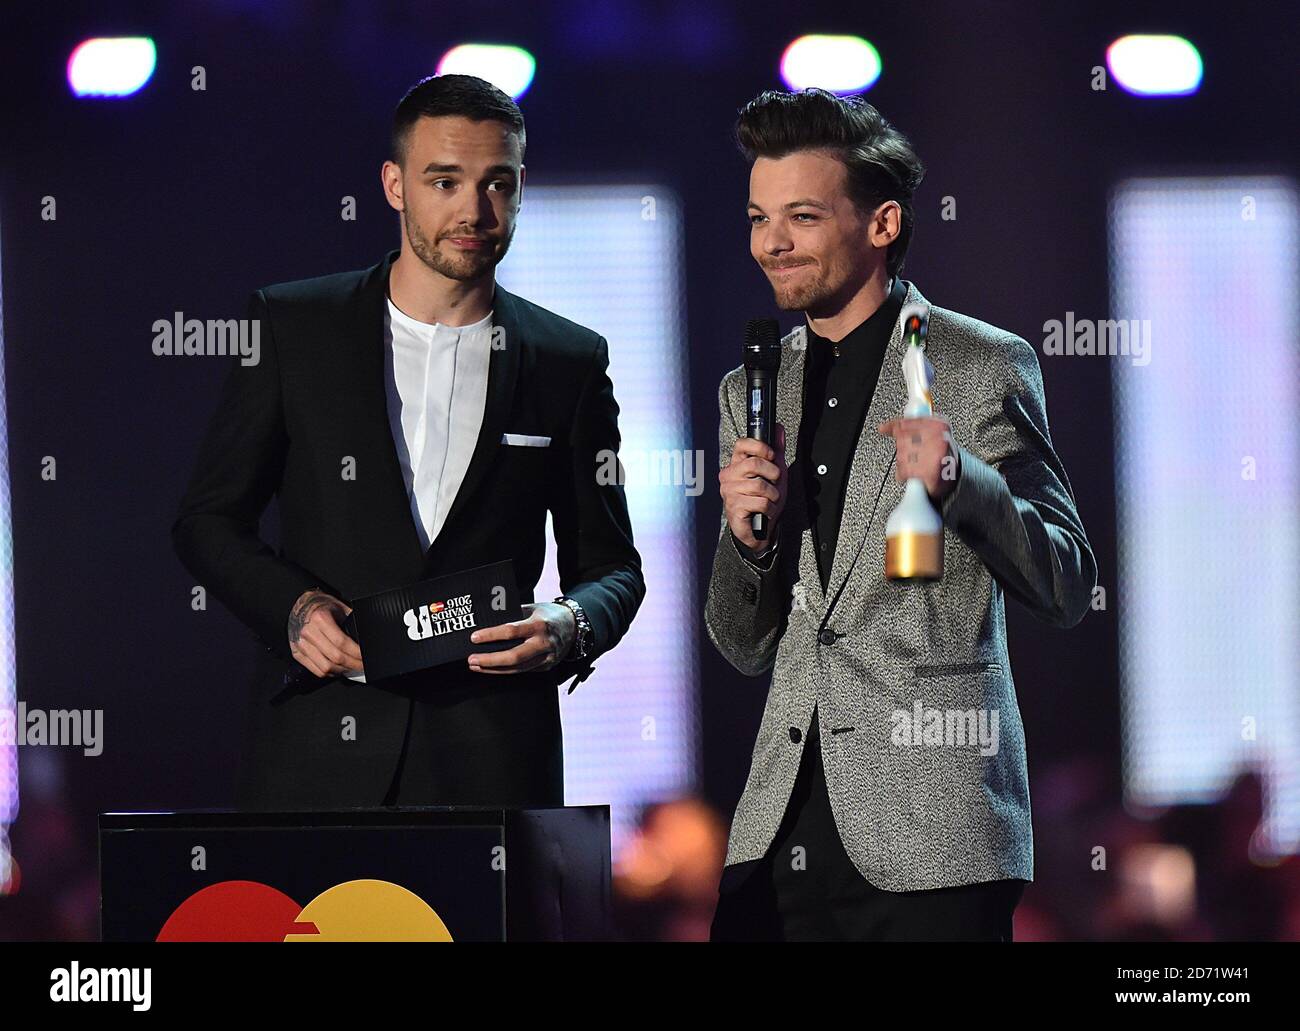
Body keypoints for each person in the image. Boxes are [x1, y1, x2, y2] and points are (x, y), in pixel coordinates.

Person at [172, 74, 644, 810]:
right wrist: (294, 610)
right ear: (394, 185)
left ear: (521, 189)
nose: (472, 208)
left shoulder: (567, 360)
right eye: (444, 180)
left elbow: (612, 566)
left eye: (496, 184)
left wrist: (568, 624)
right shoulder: (294, 326)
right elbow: (207, 520)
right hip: (319, 752)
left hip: (492, 761)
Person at [705, 88, 1096, 941]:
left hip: (936, 830)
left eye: (802, 216)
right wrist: (746, 541)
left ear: (881, 224)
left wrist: (961, 479)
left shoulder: (980, 363)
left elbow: (1068, 579)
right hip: (779, 826)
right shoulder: (752, 388)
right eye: (758, 218)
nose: (772, 242)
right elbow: (742, 644)